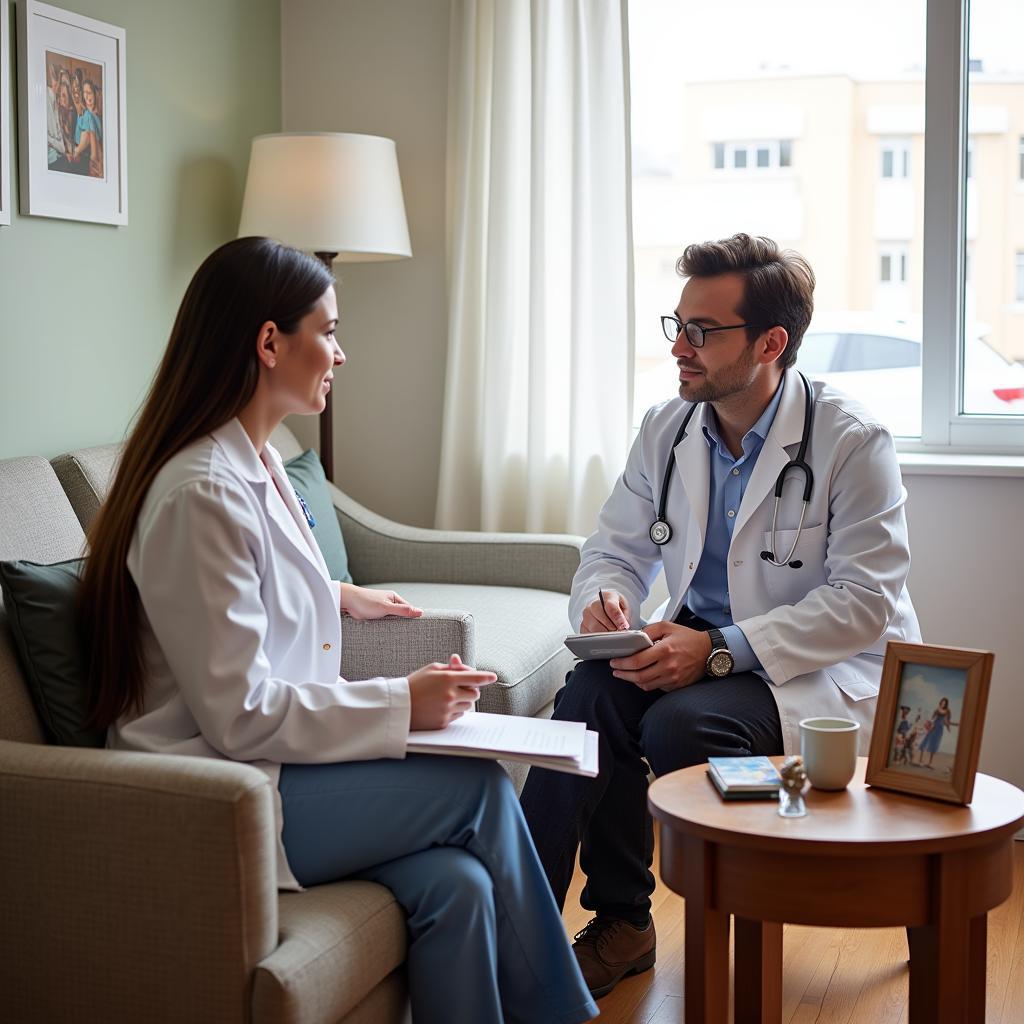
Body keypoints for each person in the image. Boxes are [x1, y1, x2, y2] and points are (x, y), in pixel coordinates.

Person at [79, 237, 598, 1024]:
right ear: (268, 342)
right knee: (481, 790)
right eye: (328, 330)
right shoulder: (200, 493)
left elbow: (238, 586)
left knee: (456, 887)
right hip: (219, 795)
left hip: (273, 771)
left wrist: (335, 591)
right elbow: (238, 713)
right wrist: (402, 704)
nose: (341, 353)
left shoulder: (253, 464)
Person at [520, 232, 921, 999]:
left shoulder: (851, 440)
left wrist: (720, 650)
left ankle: (734, 921)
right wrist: (610, 602)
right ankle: (547, 928)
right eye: (678, 326)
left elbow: (866, 603)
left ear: (771, 342)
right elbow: (611, 550)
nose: (682, 348)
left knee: (678, 726)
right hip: (690, 647)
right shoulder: (666, 429)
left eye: (704, 332)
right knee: (586, 701)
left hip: (813, 668)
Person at [917, 697, 957, 768]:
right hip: (933, 727)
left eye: (944, 703)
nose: (943, 704)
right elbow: (932, 719)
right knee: (925, 741)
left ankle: (929, 763)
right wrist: (929, 725)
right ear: (940, 702)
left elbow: (947, 722)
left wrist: (949, 727)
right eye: (942, 702)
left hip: (939, 729)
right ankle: (920, 760)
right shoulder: (936, 710)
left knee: (934, 744)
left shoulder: (948, 711)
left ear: (946, 704)